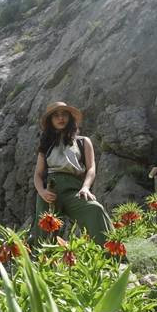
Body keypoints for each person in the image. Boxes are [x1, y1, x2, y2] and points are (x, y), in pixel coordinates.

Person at [32, 101, 113, 244]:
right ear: (51, 121)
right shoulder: (46, 144)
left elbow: (91, 168)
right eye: (56, 116)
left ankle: (111, 253)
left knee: (95, 209)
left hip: (74, 190)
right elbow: (38, 174)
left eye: (64, 114)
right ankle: (40, 257)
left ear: (70, 118)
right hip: (51, 189)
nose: (60, 118)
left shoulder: (83, 141)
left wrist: (85, 187)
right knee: (44, 228)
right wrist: (42, 192)